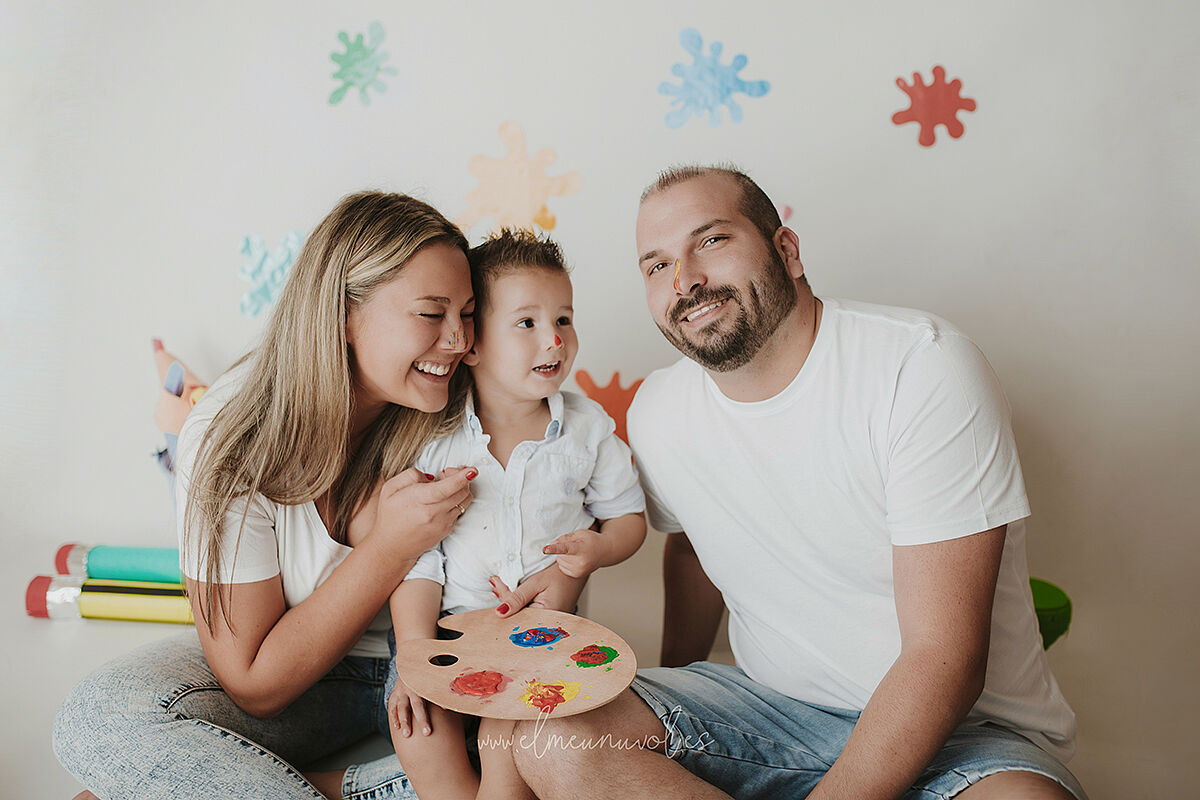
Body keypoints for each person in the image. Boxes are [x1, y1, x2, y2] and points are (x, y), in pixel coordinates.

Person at [509, 166, 1088, 800]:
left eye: (712, 241)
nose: (686, 281)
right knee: (546, 736)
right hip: (767, 711)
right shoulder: (658, 409)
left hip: (964, 737)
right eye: (656, 265)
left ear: (787, 251)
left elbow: (943, 660)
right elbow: (695, 547)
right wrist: (675, 700)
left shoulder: (920, 366)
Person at [51, 191, 577, 800]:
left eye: (467, 313)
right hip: (306, 677)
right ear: (343, 315)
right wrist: (390, 547)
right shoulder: (235, 431)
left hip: (447, 669)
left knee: (535, 750)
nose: (459, 341)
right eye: (433, 314)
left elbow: (565, 502)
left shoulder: (476, 398)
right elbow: (255, 681)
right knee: (99, 719)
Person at [377, 228, 647, 800]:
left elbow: (627, 521)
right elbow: (417, 561)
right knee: (417, 728)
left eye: (564, 320)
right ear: (471, 344)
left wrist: (593, 553)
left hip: (537, 646)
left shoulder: (586, 429)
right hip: (446, 636)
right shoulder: (438, 441)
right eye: (526, 323)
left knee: (513, 732)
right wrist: (415, 656)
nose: (553, 340)